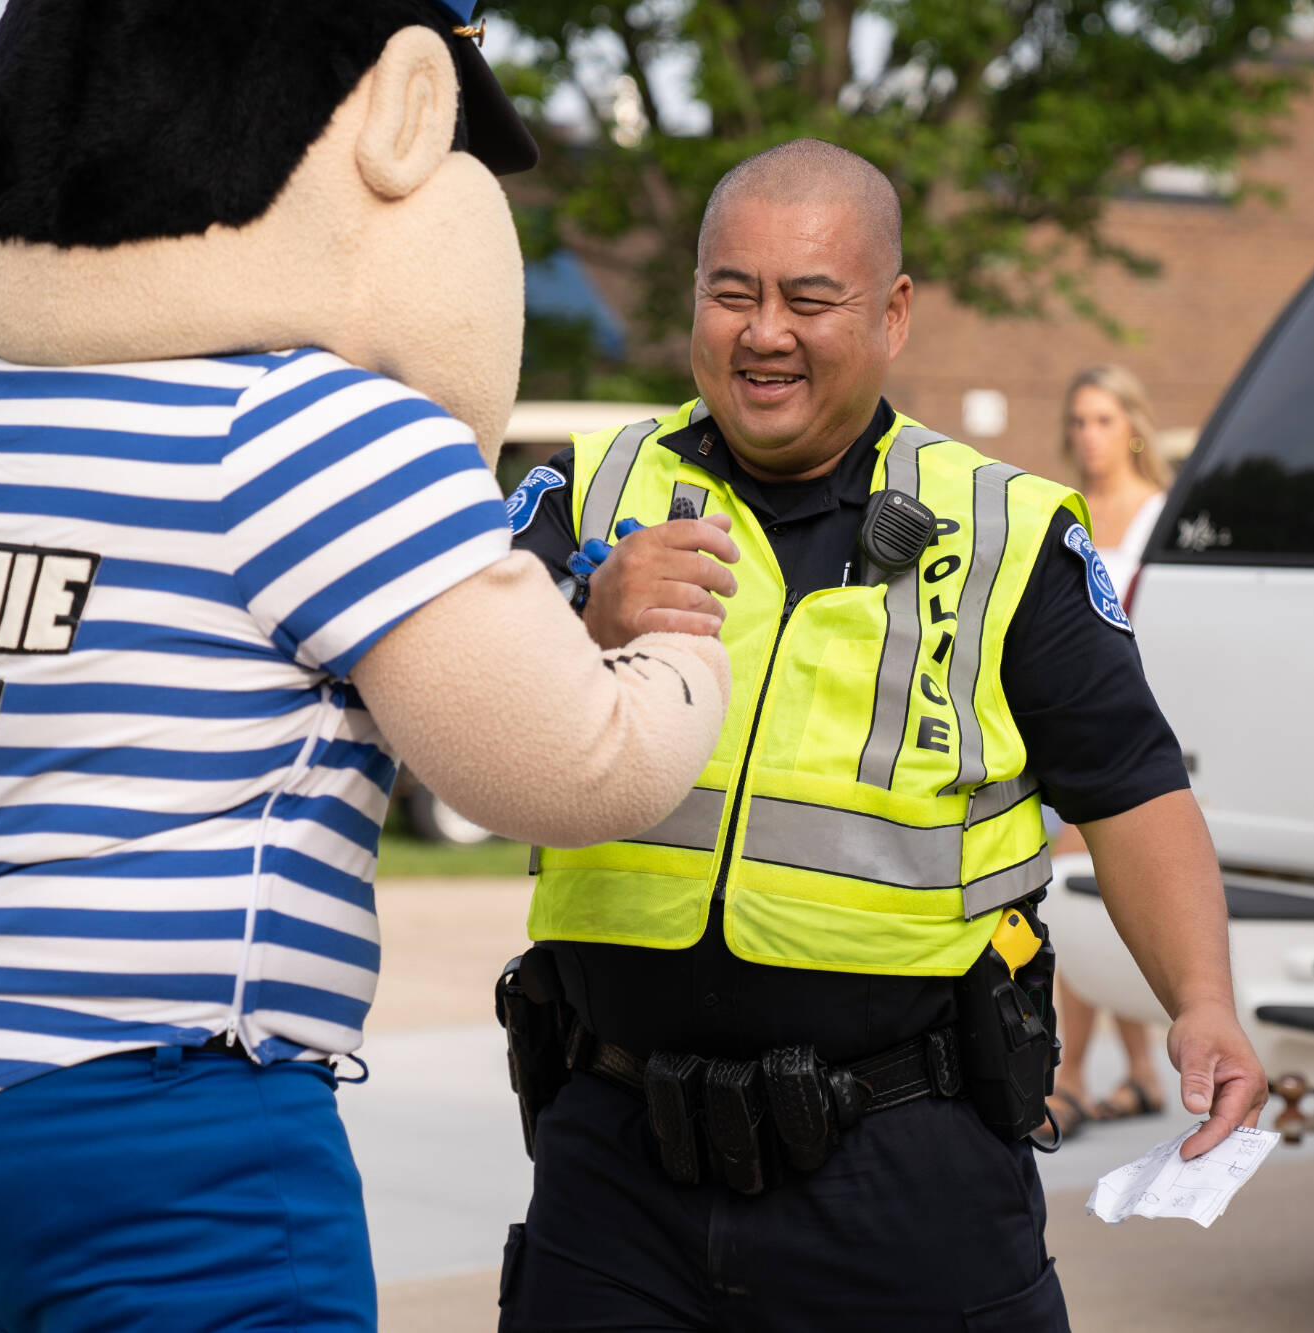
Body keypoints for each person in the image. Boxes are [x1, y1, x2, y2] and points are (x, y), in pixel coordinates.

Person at [0, 4, 733, 1330]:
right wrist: (672, 646)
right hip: (184, 1125)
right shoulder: (310, 424)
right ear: (403, 120)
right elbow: (580, 761)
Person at [495, 139, 1267, 1333]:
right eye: (732, 292)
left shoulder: (1004, 531)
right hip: (616, 1167)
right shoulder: (583, 493)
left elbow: (1130, 789)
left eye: (810, 298)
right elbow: (467, 718)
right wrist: (579, 624)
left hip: (901, 1173)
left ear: (894, 312)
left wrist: (1200, 1000)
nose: (765, 333)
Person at [1043, 364, 1176, 1138]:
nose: (1088, 436)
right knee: (1093, 898)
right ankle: (1139, 1072)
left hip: (1130, 732)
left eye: (1101, 419)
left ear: (1132, 424)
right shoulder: (1066, 513)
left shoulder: (1160, 516)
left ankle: (1066, 1080)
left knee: (1079, 895)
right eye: (1078, 421)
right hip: (1064, 723)